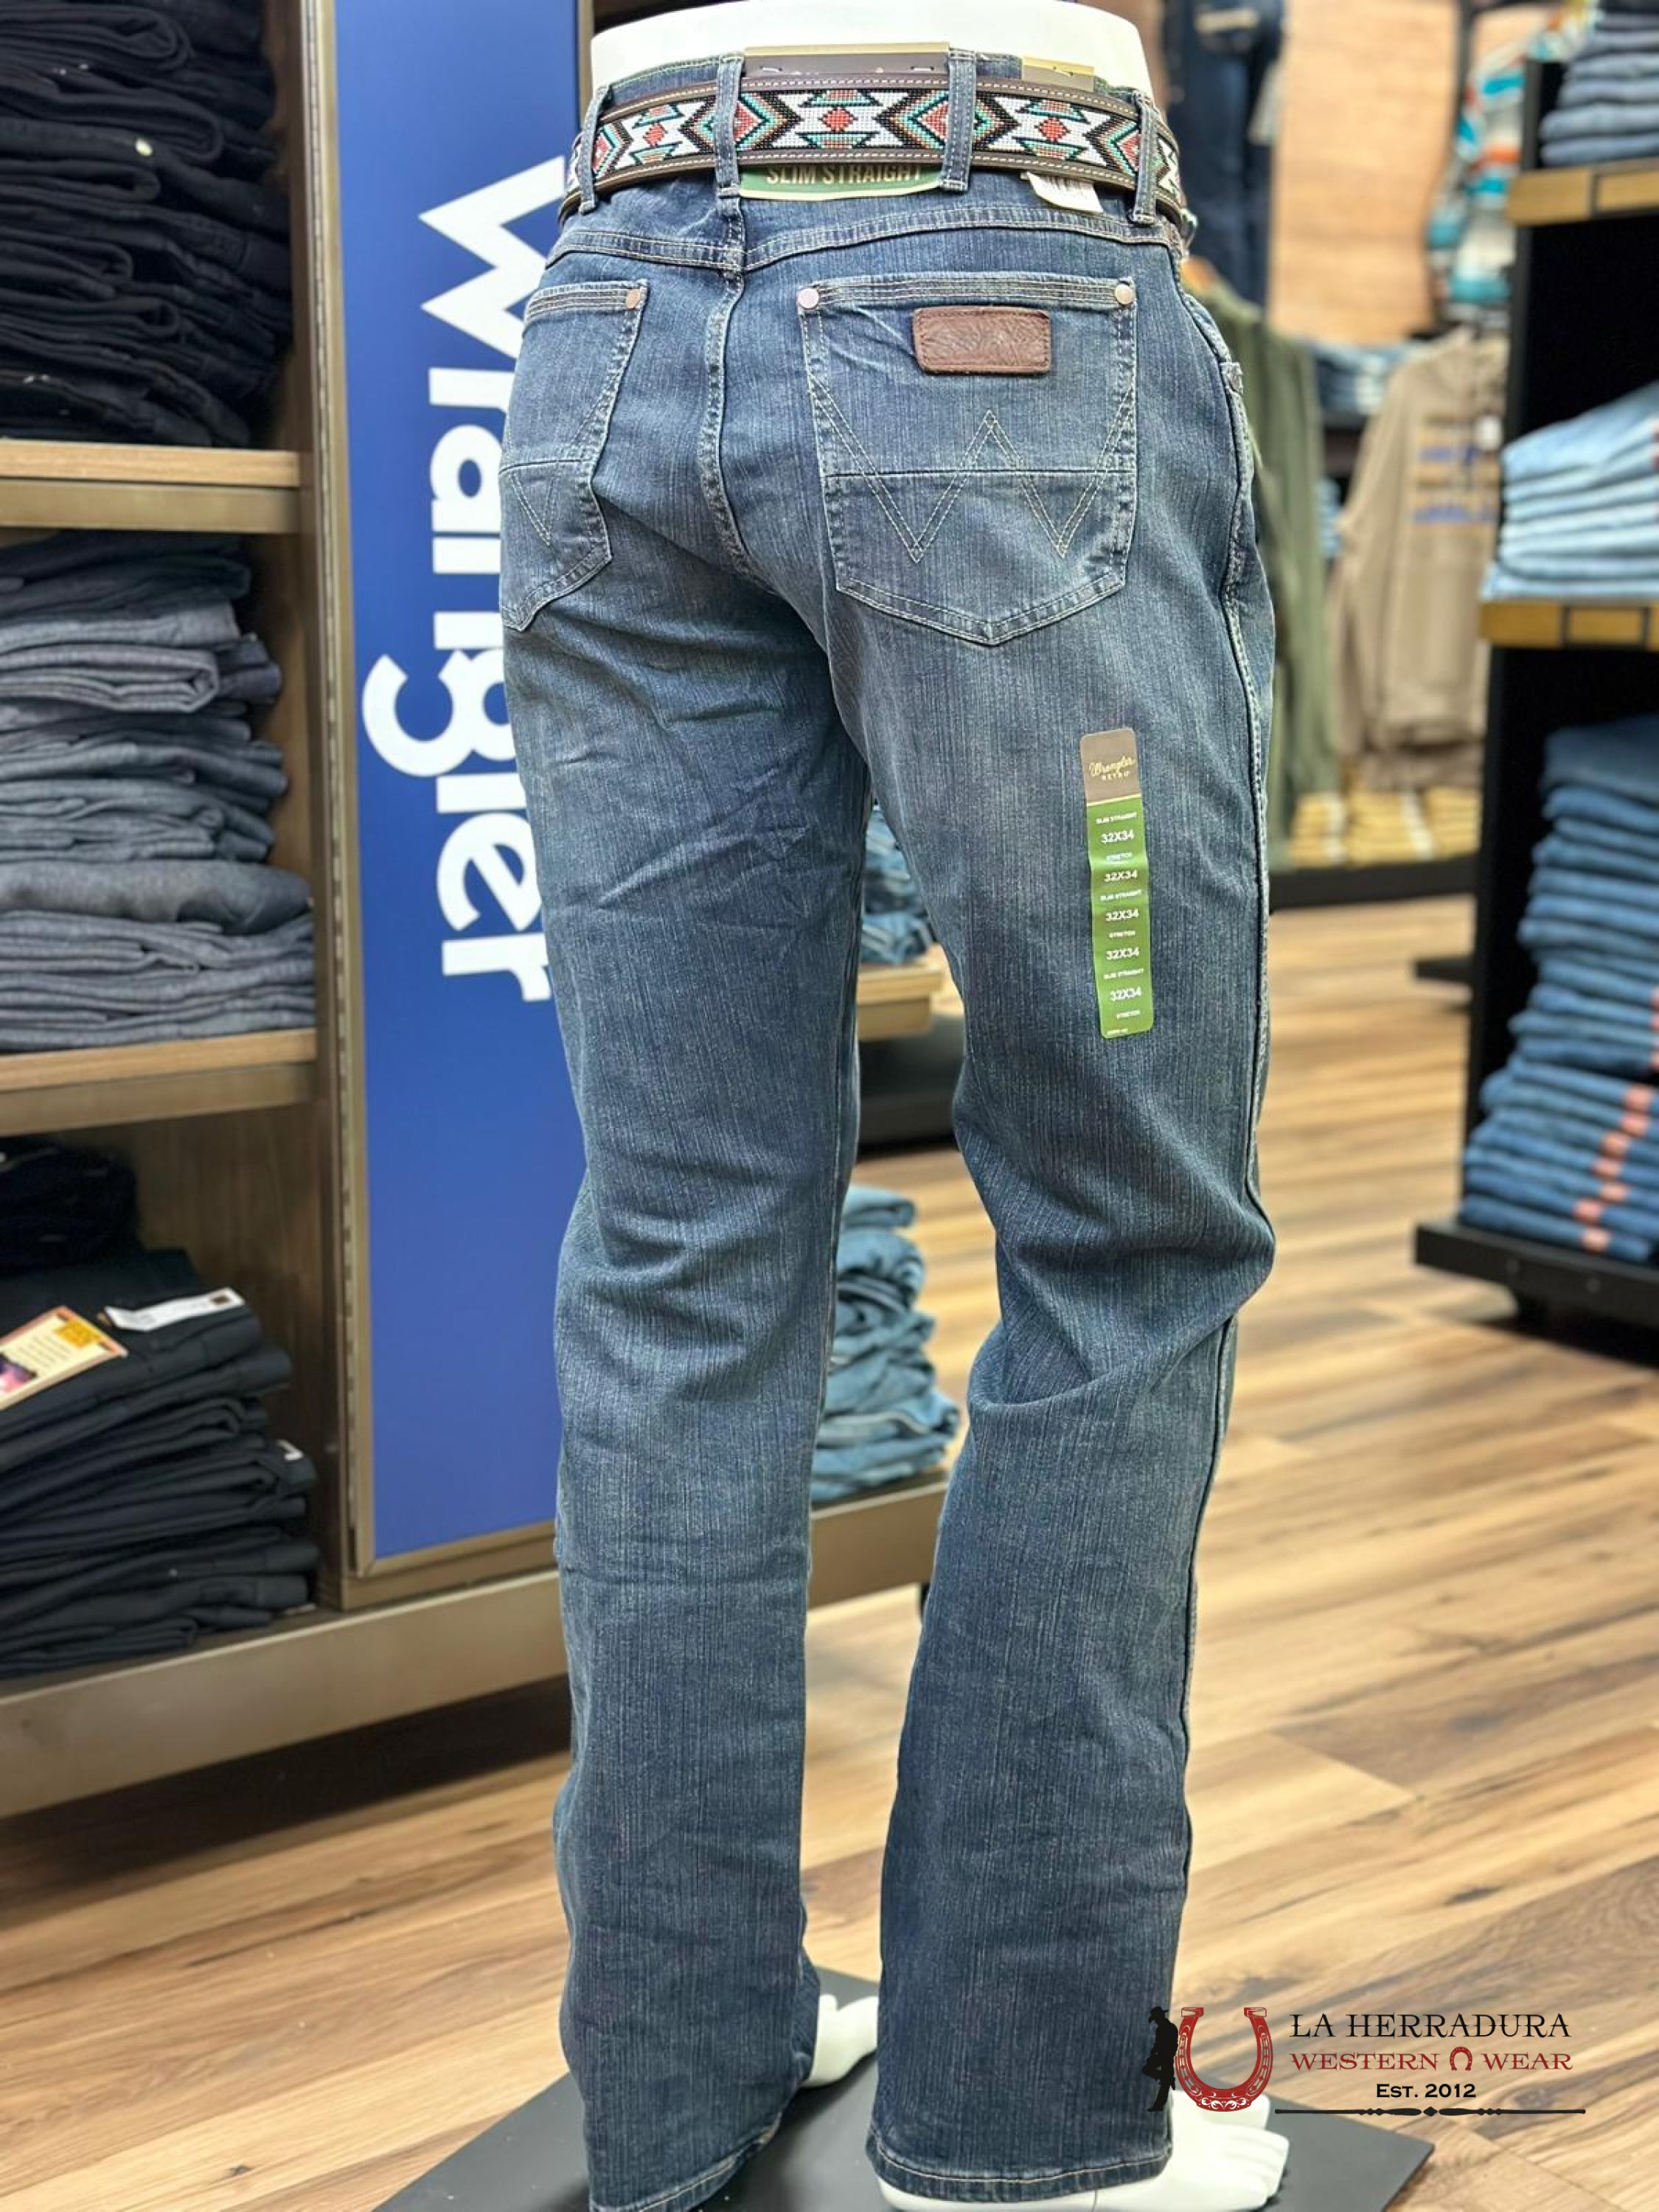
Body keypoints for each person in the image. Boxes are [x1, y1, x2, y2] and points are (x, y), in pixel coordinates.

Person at [501, 5, 1284, 2209]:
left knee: (682, 1265)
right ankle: (1018, 2117)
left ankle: (678, 2082)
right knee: (1127, 1242)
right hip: (992, 308)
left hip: (610, 302)